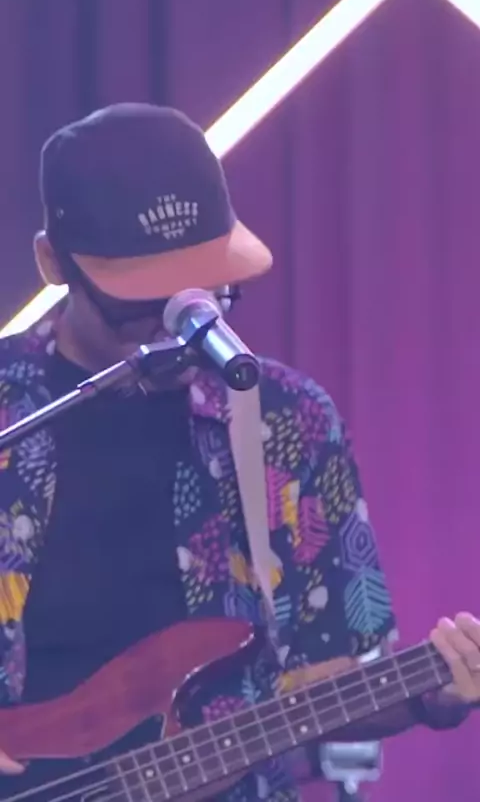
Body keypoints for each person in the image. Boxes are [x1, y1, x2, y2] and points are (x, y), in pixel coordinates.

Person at [0, 102, 477, 802]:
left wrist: (434, 695)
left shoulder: (287, 419)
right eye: (140, 303)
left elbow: (327, 676)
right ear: (52, 262)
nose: (173, 329)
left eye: (200, 296)